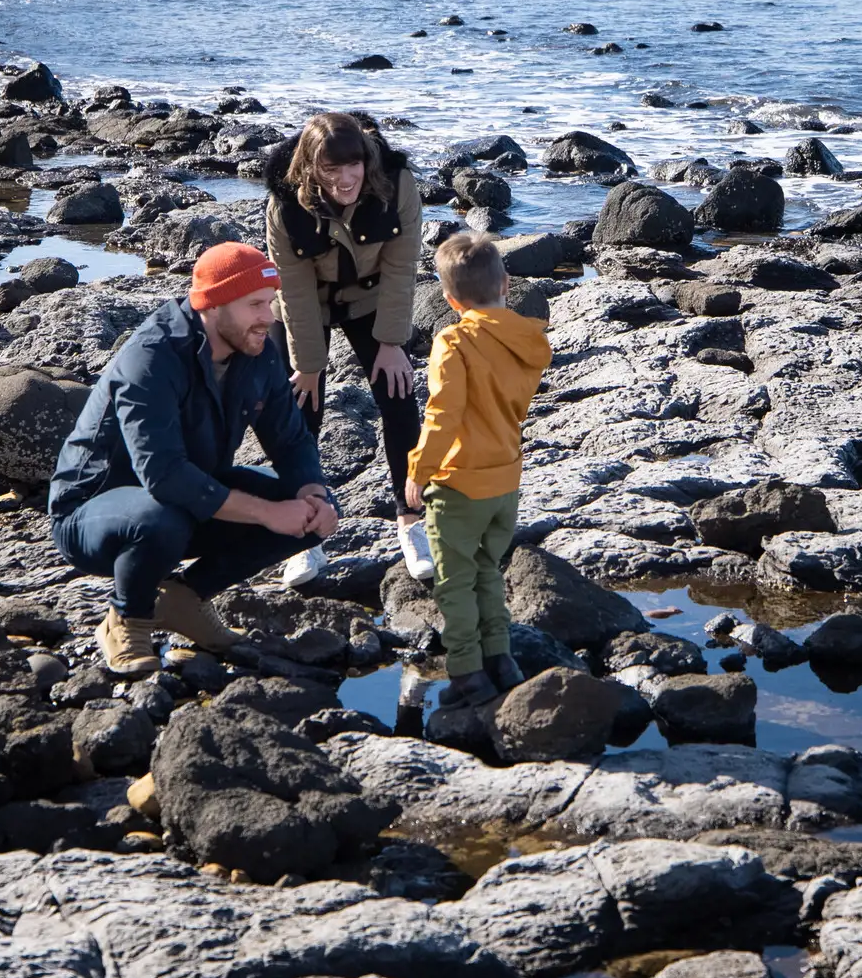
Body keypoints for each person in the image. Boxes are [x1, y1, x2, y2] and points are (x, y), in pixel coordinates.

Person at [48, 241, 338, 670]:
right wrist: (263, 513)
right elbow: (163, 475)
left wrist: (312, 492)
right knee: (161, 518)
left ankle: (184, 599)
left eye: (270, 303)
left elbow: (290, 440)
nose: (268, 318)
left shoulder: (255, 351)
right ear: (214, 304)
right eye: (256, 304)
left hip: (187, 500)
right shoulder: (152, 357)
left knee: (313, 513)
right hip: (94, 515)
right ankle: (127, 617)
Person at [262, 109, 431, 581]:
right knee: (299, 409)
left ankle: (412, 522)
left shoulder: (396, 183)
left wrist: (392, 344)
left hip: (372, 297)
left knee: (398, 398)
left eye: (351, 165)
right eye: (330, 169)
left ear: (365, 158)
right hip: (307, 303)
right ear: (309, 168)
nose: (344, 178)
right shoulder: (284, 206)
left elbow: (402, 269)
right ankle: (304, 534)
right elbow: (291, 288)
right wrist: (310, 364)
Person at [403, 228, 550, 734]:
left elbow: (443, 413)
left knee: (454, 582)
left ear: (448, 299)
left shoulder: (454, 341)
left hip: (460, 483)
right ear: (505, 284)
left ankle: (467, 671)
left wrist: (419, 471)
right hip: (506, 478)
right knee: (489, 570)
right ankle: (501, 660)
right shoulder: (528, 337)